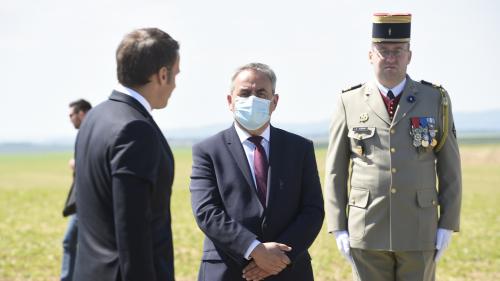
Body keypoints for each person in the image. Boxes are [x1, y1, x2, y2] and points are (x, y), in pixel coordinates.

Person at [324, 13, 462, 281]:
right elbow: (335, 170)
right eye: (383, 50)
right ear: (370, 55)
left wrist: (447, 223)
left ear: (409, 55)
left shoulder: (434, 99)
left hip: (419, 228)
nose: (390, 57)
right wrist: (338, 226)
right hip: (366, 228)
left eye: (398, 51)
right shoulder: (348, 101)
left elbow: (450, 168)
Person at [189, 62, 324, 281]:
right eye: (244, 93)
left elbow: (312, 210)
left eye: (261, 93)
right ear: (230, 101)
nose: (253, 99)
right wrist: (254, 250)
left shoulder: (300, 149)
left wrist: (276, 260)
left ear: (275, 101)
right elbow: (207, 211)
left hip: (289, 271)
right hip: (227, 270)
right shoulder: (208, 151)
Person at [73, 28, 180, 281]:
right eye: (175, 75)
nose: (175, 84)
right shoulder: (135, 129)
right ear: (162, 75)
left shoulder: (95, 117)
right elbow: (133, 229)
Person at [60, 99, 91, 281]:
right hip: (83, 200)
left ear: (81, 113)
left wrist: (77, 164)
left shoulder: (91, 131)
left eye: (71, 115)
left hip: (88, 201)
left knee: (69, 241)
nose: (70, 119)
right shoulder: (87, 132)